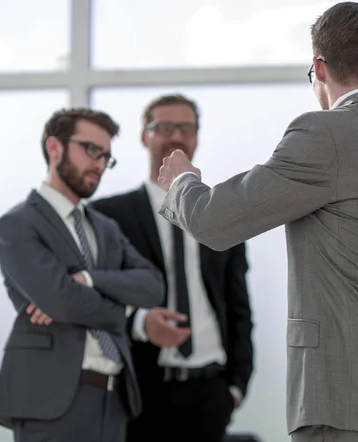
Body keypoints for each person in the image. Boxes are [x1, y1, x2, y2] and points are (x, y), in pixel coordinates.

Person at [155, 3, 358, 442]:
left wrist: (182, 181)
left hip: (338, 391)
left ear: (319, 69)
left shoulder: (324, 133)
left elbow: (214, 222)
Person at [0, 108, 175, 442]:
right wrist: (126, 312)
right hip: (49, 398)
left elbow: (153, 286)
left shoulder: (106, 227)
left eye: (106, 157)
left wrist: (89, 280)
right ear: (54, 148)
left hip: (114, 398)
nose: (99, 165)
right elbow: (63, 301)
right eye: (91, 150)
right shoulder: (17, 225)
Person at [90, 94, 254, 442]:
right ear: (144, 135)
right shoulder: (108, 216)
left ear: (196, 136)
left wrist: (237, 385)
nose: (176, 136)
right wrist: (138, 322)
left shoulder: (220, 212)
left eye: (186, 128)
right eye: (164, 127)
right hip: (142, 390)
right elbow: (92, 297)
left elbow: (238, 303)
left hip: (212, 389)